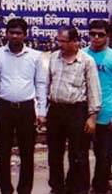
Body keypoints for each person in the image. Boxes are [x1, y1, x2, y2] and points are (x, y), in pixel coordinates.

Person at [0, 18, 47, 194]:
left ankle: (25, 190)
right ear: (6, 33)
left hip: (26, 109)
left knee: (27, 152)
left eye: (18, 33)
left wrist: (41, 111)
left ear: (25, 35)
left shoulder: (35, 56)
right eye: (11, 32)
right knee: (2, 152)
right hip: (4, 108)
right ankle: (5, 189)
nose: (15, 36)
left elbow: (40, 84)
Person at [46, 26, 101, 194]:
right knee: (54, 153)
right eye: (59, 41)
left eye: (64, 41)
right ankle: (57, 188)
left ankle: (79, 189)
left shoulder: (86, 61)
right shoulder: (54, 58)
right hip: (55, 110)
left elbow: (94, 90)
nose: (60, 44)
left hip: (77, 111)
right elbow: (48, 83)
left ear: (75, 42)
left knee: (78, 155)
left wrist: (92, 117)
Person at [83, 20, 112, 194]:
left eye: (100, 34)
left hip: (106, 114)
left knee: (103, 156)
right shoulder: (82, 55)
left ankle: (99, 188)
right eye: (92, 33)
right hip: (82, 114)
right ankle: (80, 187)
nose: (96, 37)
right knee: (79, 155)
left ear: (107, 35)